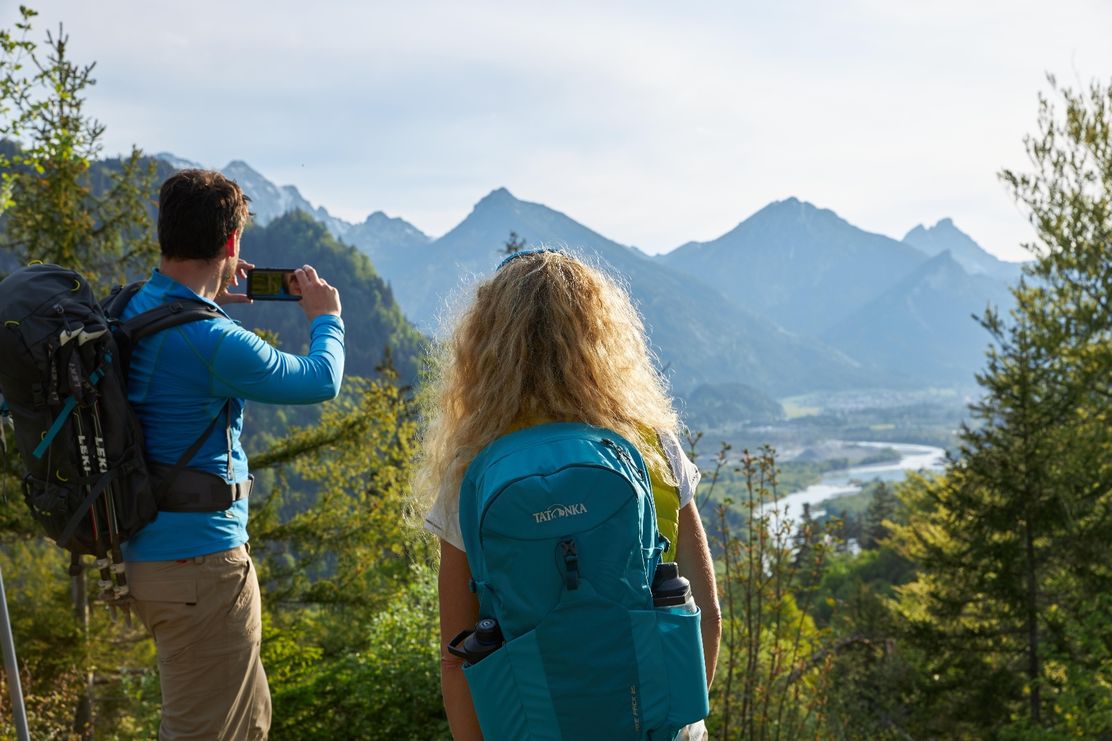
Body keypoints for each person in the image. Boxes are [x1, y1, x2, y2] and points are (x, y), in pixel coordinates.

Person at [416, 248, 721, 740]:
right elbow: (705, 615)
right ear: (603, 337)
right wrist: (678, 723)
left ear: (485, 346)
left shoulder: (472, 470)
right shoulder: (650, 444)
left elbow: (457, 661)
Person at [121, 169, 345, 740]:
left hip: (150, 556)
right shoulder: (210, 340)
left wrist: (209, 298)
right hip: (201, 567)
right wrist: (327, 318)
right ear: (231, 243)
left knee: (246, 723)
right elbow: (319, 380)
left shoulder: (133, 306)